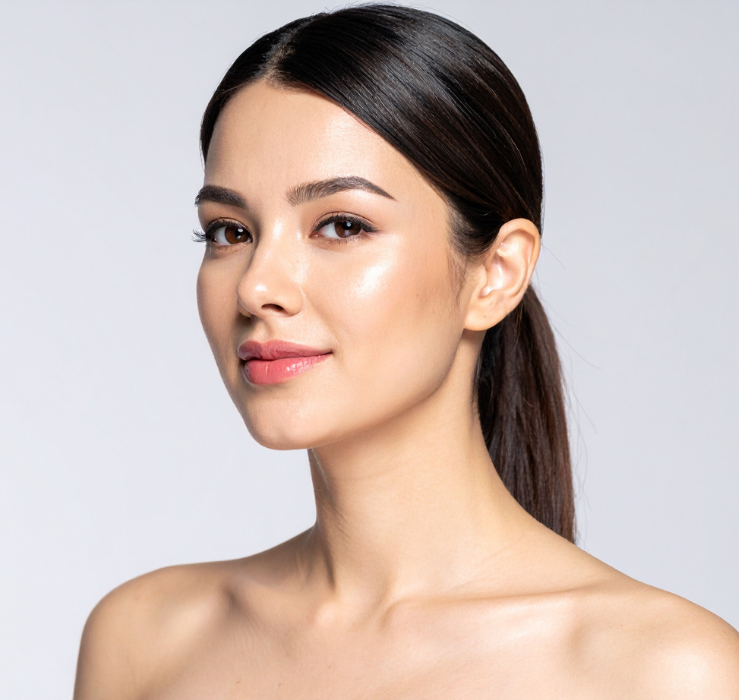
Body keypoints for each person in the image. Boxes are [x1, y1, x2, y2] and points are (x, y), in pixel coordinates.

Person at [74, 5, 739, 697]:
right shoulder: (145, 641)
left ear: (497, 273)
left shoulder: (665, 672)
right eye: (230, 232)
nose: (258, 287)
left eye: (341, 224)